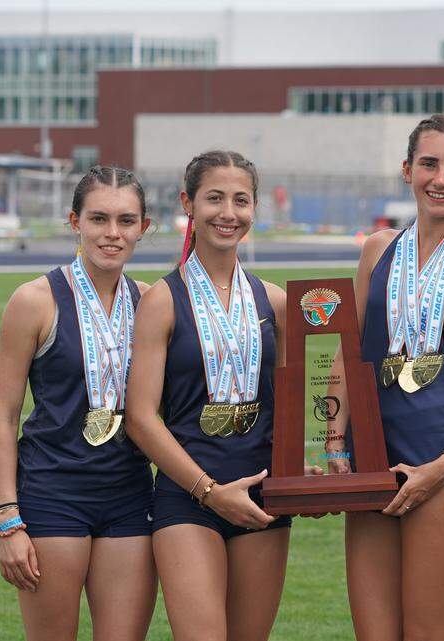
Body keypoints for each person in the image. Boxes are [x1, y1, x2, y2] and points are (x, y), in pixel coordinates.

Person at [325, 114, 444, 641]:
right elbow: (347, 356)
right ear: (407, 170)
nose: (441, 178)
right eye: (429, 163)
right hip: (369, 465)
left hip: (442, 469)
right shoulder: (378, 249)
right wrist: (332, 442)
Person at [125, 150, 298, 641]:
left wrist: (326, 463)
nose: (228, 213)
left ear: (254, 208)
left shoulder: (277, 302)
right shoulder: (161, 300)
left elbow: (304, 404)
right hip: (188, 498)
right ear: (188, 203)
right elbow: (140, 418)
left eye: (240, 201)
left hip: (263, 500)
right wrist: (208, 490)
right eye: (214, 198)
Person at [0, 166, 156, 641]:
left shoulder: (151, 302)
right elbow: (3, 417)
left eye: (126, 221)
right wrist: (7, 517)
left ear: (144, 228)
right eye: (99, 218)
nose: (112, 233)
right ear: (74, 221)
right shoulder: (34, 301)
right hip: (53, 495)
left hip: (130, 496)